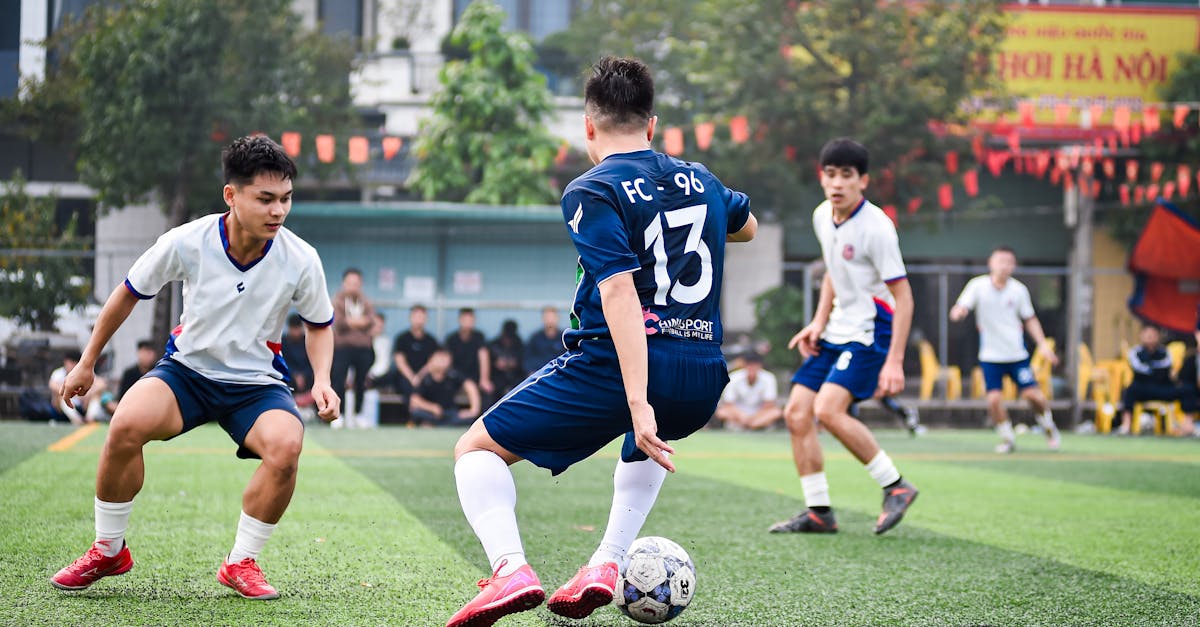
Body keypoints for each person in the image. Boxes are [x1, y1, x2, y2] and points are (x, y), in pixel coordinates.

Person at [445, 56, 756, 627]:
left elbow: (618, 296)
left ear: (588, 126)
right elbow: (747, 225)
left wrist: (637, 398)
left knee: (476, 449)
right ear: (653, 124)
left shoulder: (592, 189)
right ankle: (606, 564)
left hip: (616, 368)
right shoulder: (703, 179)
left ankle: (510, 569)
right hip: (704, 373)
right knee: (648, 441)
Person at [49, 135, 339, 600]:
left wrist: (323, 380)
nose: (278, 211)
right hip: (187, 373)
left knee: (286, 447)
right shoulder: (188, 240)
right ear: (232, 195)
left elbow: (319, 324)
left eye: (285, 199)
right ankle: (107, 549)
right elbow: (127, 293)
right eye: (265, 199)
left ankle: (241, 561)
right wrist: (86, 363)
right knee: (124, 424)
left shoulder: (301, 258)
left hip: (256, 385)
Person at [770, 138, 918, 536]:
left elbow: (904, 298)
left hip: (872, 331)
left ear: (863, 181)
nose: (837, 183)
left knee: (828, 410)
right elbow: (835, 272)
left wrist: (895, 360)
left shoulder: (877, 229)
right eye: (830, 175)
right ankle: (819, 512)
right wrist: (818, 322)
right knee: (796, 413)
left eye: (846, 176)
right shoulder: (823, 217)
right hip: (837, 329)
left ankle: (896, 486)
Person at [950, 246, 1061, 453]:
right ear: (991, 263)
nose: (1004, 266)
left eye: (1008, 262)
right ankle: (1007, 438)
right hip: (990, 356)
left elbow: (1030, 319)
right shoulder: (977, 286)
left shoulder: (1018, 290)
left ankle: (1047, 425)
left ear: (1014, 265)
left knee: (1033, 396)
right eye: (1000, 261)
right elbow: (962, 305)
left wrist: (1043, 345)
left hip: (1016, 355)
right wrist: (959, 311)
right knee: (993, 400)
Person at [1116, 324, 1189, 434]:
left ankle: (1188, 426)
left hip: (1162, 387)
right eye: (1148, 334)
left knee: (1187, 389)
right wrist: (1154, 369)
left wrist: (1151, 368)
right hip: (1143, 387)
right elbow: (1139, 369)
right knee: (1129, 390)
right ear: (1142, 336)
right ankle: (1126, 425)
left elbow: (1166, 367)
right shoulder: (1135, 352)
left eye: (1153, 335)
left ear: (1158, 336)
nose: (1150, 337)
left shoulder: (1165, 352)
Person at [330, 268, 376, 423]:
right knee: (338, 379)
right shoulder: (337, 300)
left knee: (362, 381)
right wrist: (359, 322)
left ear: (360, 284)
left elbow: (370, 321)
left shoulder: (366, 301)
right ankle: (339, 415)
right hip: (342, 348)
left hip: (363, 348)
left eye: (356, 283)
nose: (353, 286)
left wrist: (352, 322)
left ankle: (359, 415)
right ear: (344, 283)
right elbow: (339, 323)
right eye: (350, 282)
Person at [409, 349, 481, 426]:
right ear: (431, 360)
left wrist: (474, 410)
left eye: (445, 358)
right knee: (416, 412)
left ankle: (436, 424)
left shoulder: (453, 375)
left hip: (449, 412)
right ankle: (430, 423)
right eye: (439, 358)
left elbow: (470, 386)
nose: (442, 361)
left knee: (467, 419)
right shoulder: (425, 377)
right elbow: (414, 400)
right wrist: (432, 408)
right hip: (430, 413)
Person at [713, 352, 781, 430]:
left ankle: (753, 425)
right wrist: (742, 416)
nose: (752, 368)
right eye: (749, 365)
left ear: (760, 366)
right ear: (744, 365)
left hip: (759, 414)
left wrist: (752, 417)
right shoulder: (734, 377)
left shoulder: (769, 378)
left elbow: (769, 404)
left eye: (755, 365)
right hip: (738, 414)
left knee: (776, 412)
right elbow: (729, 403)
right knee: (721, 412)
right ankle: (752, 425)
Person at [444, 307, 493, 401]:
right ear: (460, 320)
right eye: (465, 319)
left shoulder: (479, 336)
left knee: (488, 393)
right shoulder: (451, 339)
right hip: (456, 376)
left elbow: (484, 356)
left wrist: (484, 379)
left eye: (471, 319)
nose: (468, 322)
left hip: (474, 374)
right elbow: (447, 360)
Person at [391, 304, 440, 389]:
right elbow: (400, 362)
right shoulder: (402, 339)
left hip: (424, 376)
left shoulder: (431, 341)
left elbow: (432, 362)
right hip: (405, 376)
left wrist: (419, 377)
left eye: (422, 317)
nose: (419, 320)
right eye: (416, 316)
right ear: (410, 317)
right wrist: (412, 378)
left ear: (426, 319)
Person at [489, 319, 525, 396]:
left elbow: (523, 363)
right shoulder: (494, 344)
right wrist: (496, 363)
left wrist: (513, 363)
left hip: (515, 378)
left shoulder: (519, 344)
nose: (508, 340)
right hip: (497, 377)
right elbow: (490, 363)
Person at [524, 306, 564, 374]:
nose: (550, 320)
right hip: (539, 376)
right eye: (547, 318)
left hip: (560, 375)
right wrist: (531, 373)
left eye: (552, 317)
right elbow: (527, 359)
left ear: (558, 318)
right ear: (543, 319)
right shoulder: (535, 338)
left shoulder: (564, 338)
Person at [279, 316, 312, 395]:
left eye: (297, 328)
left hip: (307, 377)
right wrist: (295, 374)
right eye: (294, 329)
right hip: (289, 377)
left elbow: (311, 361)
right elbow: (282, 361)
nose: (296, 332)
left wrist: (304, 374)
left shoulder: (307, 340)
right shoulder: (283, 342)